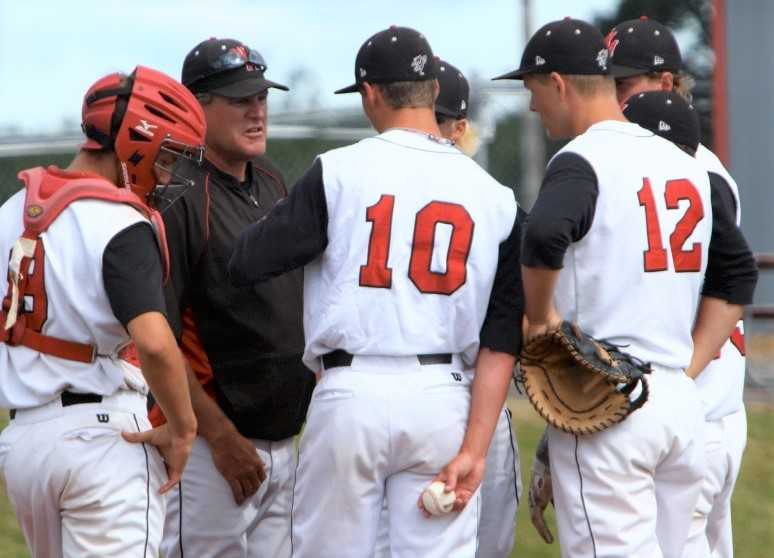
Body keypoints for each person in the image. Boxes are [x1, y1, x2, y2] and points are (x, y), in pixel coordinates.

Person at [229, 26, 524, 558]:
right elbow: (503, 339)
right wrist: (477, 448)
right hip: (445, 395)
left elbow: (247, 261)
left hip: (352, 393)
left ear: (369, 94)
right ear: (435, 91)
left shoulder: (338, 172)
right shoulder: (495, 197)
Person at [493, 17, 757, 557]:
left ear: (560, 84)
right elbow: (737, 275)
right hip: (679, 405)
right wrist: (684, 370)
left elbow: (543, 235)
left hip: (608, 403)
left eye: (534, 89)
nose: (532, 105)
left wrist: (539, 319)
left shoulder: (583, 157)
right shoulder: (683, 162)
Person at [0, 66, 205, 557]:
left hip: (25, 441)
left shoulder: (10, 212)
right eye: (168, 155)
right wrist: (182, 427)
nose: (168, 173)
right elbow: (154, 342)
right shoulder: (118, 220)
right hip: (103, 441)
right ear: (138, 142)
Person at [148, 37, 314, 558]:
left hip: (282, 440)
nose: (257, 110)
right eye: (240, 99)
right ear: (196, 107)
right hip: (208, 450)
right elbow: (159, 339)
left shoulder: (269, 178)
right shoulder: (176, 196)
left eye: (261, 97)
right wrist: (220, 439)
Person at [608, 20, 754, 557]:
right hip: (699, 412)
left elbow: (718, 287)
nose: (614, 101)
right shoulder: (671, 167)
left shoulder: (692, 172)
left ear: (666, 83)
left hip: (700, 411)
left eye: (623, 86)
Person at [374, 57, 522, 558]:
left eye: (434, 120)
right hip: (410, 398)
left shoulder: (495, 206)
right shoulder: (369, 197)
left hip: (475, 401)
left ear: (459, 129)